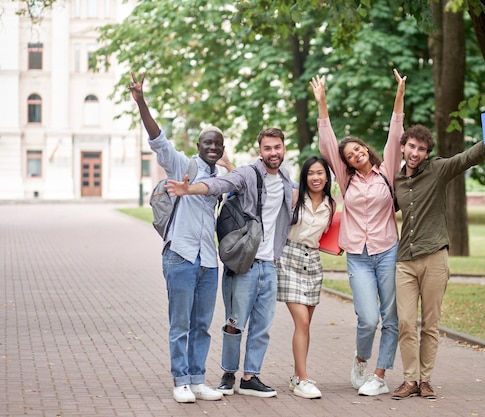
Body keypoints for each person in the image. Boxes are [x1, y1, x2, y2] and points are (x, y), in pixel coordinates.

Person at [164, 127, 294, 398]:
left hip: (270, 262)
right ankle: (226, 374)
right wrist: (190, 190)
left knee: (262, 325)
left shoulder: (284, 178)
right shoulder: (247, 172)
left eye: (277, 147)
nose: (273, 152)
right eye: (267, 148)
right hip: (245, 261)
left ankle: (250, 377)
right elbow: (220, 184)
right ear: (260, 150)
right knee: (234, 323)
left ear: (283, 148)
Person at [391, 120, 485, 401]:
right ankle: (409, 381)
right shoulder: (395, 180)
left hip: (434, 256)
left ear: (426, 152)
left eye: (421, 149)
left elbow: (467, 158)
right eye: (411, 146)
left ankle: (425, 380)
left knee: (430, 324)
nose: (415, 153)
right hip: (405, 261)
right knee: (406, 323)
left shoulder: (437, 169)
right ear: (403, 147)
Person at [128, 72, 225, 403]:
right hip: (180, 255)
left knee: (202, 324)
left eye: (217, 144)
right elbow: (158, 139)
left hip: (209, 261)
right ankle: (180, 380)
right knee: (180, 323)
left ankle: (198, 379)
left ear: (222, 149)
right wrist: (141, 101)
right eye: (207, 143)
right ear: (199, 147)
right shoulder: (181, 164)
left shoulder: (222, 177)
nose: (212, 147)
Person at [310, 69, 406, 396]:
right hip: (359, 257)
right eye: (349, 155)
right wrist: (322, 104)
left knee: (390, 317)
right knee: (367, 318)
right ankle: (362, 358)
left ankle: (380, 375)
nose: (356, 154)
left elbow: (396, 134)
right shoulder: (346, 179)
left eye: (358, 149)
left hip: (388, 251)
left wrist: (400, 94)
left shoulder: (386, 172)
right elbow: (327, 141)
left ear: (366, 149)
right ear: (346, 163)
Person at [277, 156, 336, 399]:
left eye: (320, 173)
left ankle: (296, 375)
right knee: (301, 322)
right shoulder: (293, 197)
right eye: (311, 173)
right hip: (288, 258)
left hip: (312, 262)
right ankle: (303, 379)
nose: (316, 177)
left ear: (326, 176)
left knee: (305, 325)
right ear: (304, 176)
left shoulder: (330, 205)